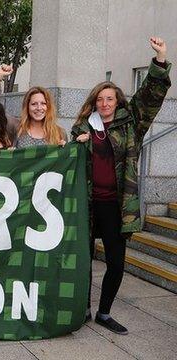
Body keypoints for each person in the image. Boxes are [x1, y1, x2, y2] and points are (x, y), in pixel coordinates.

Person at [72, 37, 171, 335]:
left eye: (110, 99)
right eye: (100, 99)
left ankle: (104, 312)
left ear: (117, 102)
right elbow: (66, 163)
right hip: (87, 205)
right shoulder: (82, 128)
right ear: (94, 102)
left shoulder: (132, 124)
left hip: (117, 207)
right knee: (83, 263)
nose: (104, 104)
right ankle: (83, 310)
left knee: (116, 264)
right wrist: (75, 145)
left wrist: (160, 59)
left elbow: (150, 96)